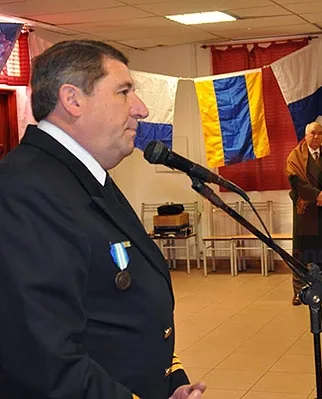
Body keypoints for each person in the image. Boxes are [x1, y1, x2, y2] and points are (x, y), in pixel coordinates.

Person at [0, 40, 206, 399]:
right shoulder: (25, 190)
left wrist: (168, 383)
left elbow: (116, 312)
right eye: (124, 92)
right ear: (73, 100)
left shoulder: (82, 176)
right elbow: (43, 359)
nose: (140, 109)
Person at [285, 122, 322, 306]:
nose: (316, 136)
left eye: (320, 133)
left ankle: (321, 287)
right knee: (302, 254)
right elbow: (295, 181)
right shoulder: (295, 156)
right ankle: (299, 291)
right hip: (306, 211)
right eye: (313, 133)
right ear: (306, 135)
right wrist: (316, 195)